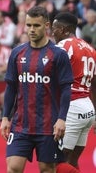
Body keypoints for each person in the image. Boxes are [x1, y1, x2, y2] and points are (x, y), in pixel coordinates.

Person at [0, 6, 74, 173]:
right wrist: (5, 117)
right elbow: (11, 87)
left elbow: (66, 90)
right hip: (20, 125)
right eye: (29, 25)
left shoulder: (58, 55)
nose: (31, 30)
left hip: (48, 125)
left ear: (46, 25)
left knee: (47, 169)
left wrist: (62, 119)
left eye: (36, 25)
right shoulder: (17, 53)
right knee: (13, 168)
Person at [52, 11, 96, 172]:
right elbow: (95, 85)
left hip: (72, 107)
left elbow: (49, 76)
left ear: (64, 29)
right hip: (88, 108)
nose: (52, 32)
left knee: (56, 163)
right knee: (71, 161)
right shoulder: (90, 49)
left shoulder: (63, 46)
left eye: (55, 28)